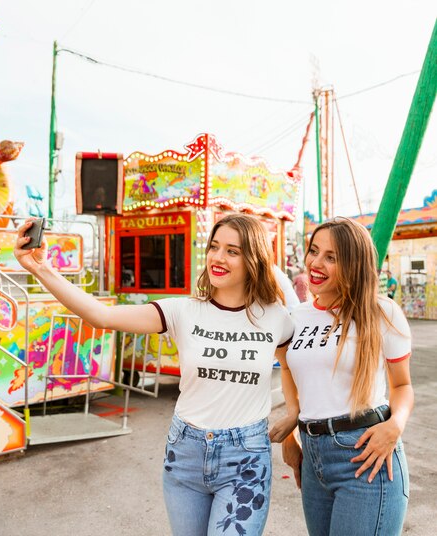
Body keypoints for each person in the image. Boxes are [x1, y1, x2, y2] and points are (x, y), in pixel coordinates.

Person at [15, 213, 295, 536]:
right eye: (215, 246)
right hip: (185, 453)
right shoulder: (183, 311)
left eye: (232, 251)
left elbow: (290, 366)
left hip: (245, 459)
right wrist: (39, 267)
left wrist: (294, 416)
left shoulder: (276, 317)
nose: (218, 257)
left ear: (255, 259)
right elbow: (101, 316)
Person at [271, 217, 413, 536]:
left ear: (353, 263)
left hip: (364, 453)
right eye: (314, 251)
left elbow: (403, 385)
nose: (315, 263)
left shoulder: (382, 313)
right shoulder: (297, 317)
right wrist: (294, 426)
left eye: (331, 257)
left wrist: (395, 425)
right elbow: (292, 373)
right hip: (313, 456)